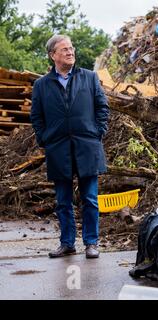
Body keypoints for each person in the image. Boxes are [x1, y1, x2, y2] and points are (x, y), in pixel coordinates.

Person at [30, 35, 110, 259]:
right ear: (53, 55)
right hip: (58, 149)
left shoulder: (90, 78)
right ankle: (67, 243)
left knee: (90, 200)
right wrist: (45, 139)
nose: (70, 52)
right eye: (64, 49)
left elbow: (102, 108)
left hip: (87, 146)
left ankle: (91, 243)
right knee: (63, 202)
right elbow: (36, 116)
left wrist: (97, 133)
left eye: (71, 48)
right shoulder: (42, 85)